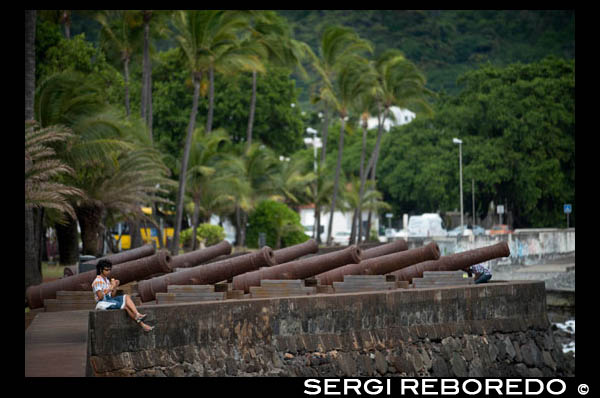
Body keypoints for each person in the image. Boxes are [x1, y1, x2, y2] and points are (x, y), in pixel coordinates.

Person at [92, 259, 154, 332]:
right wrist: (110, 288)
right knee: (126, 307)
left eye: (109, 270)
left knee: (126, 296)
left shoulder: (107, 280)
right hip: (102, 303)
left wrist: (115, 286)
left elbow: (112, 295)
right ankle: (143, 325)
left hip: (109, 300)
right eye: (106, 270)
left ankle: (137, 314)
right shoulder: (97, 281)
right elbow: (100, 297)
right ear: (101, 270)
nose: (108, 272)